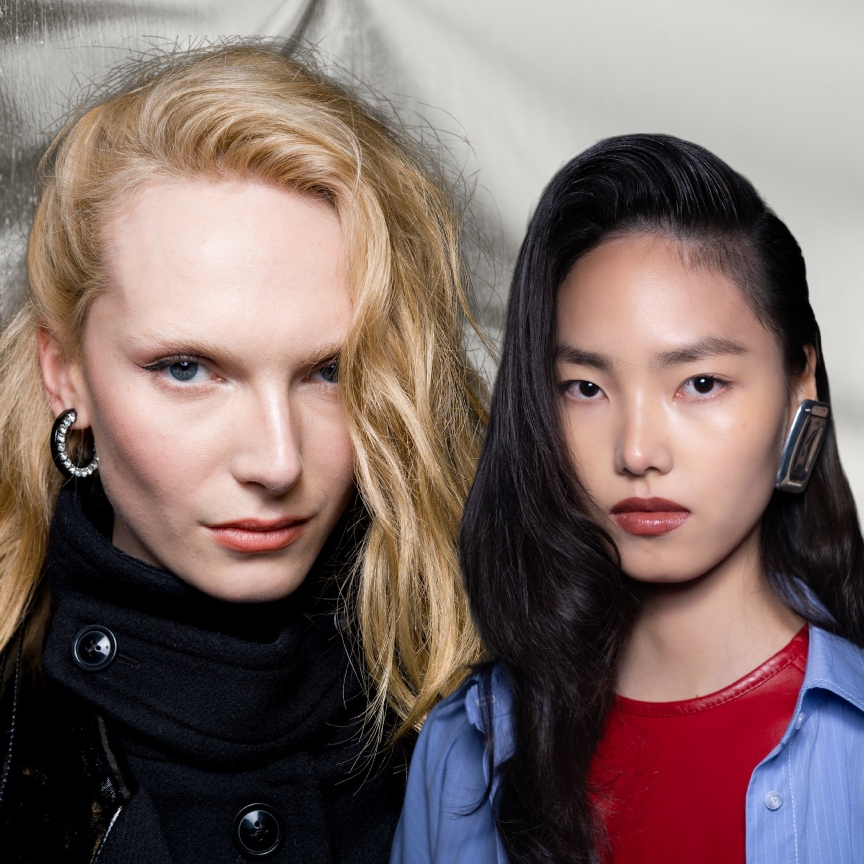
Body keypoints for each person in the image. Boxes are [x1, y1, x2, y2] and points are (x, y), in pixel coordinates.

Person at [0, 43, 486, 863]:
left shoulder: (506, 700)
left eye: (329, 372)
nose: (277, 461)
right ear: (65, 376)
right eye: (187, 369)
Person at [391, 134, 864, 864]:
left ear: (799, 387)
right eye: (586, 388)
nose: (638, 452)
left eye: (700, 383)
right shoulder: (466, 746)